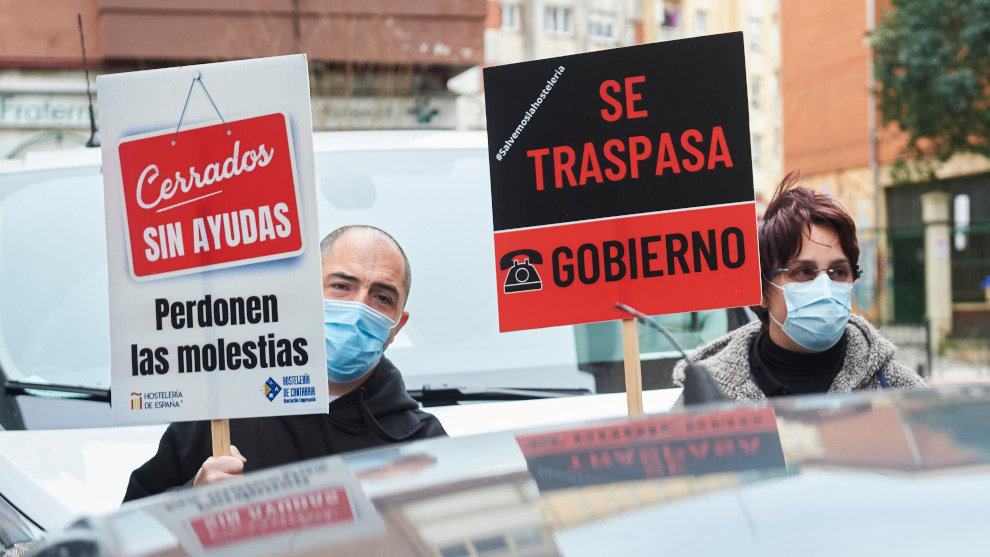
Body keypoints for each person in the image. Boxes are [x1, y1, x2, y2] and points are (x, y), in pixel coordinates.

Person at [123, 225, 446, 502]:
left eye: (382, 297)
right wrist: (193, 497)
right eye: (341, 286)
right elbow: (130, 529)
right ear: (303, 292)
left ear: (397, 325)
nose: (359, 306)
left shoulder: (420, 443)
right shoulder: (223, 408)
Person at [672, 172, 927, 404]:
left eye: (839, 272)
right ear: (761, 290)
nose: (826, 287)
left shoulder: (896, 389)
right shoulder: (707, 397)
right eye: (804, 272)